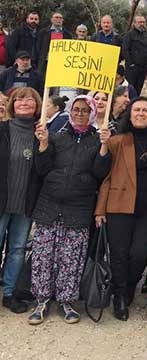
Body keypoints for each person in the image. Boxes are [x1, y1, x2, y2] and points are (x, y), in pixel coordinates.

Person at [28, 95, 109, 325]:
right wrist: (43, 144)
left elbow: (100, 173)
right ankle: (42, 300)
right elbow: (41, 169)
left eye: (85, 110)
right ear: (70, 112)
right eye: (76, 110)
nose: (80, 114)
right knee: (44, 257)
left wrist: (104, 147)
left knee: (71, 259)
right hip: (49, 205)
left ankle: (66, 301)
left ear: (92, 113)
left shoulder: (97, 139)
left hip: (78, 208)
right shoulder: (56, 137)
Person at [94, 97, 147, 321]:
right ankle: (119, 295)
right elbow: (102, 175)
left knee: (140, 254)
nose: (141, 113)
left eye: (145, 110)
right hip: (119, 204)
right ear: (129, 114)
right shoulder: (117, 140)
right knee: (119, 255)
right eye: (137, 110)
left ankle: (128, 285)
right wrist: (100, 210)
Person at [0, 87, 43, 314]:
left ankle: (8, 293)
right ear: (12, 105)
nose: (24, 102)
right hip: (1, 201)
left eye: (29, 99)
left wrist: (44, 144)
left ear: (37, 105)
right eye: (18, 99)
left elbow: (43, 168)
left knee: (17, 249)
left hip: (25, 203)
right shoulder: (2, 129)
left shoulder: (41, 135)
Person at [121, 15, 147, 95]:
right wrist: (131, 63)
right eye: (139, 22)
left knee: (138, 90)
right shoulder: (129, 35)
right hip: (132, 69)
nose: (141, 24)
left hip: (143, 68)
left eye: (143, 22)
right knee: (130, 90)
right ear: (134, 23)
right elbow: (125, 49)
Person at [35, 12, 73, 77]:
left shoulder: (68, 34)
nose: (59, 19)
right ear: (51, 19)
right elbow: (38, 47)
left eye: (60, 18)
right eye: (56, 17)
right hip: (45, 63)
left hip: (61, 63)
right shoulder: (43, 32)